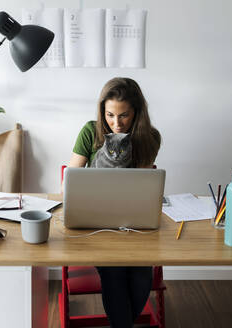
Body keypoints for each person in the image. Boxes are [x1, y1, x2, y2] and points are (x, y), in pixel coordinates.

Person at [68, 77, 161, 327]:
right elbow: (70, 182)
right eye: (110, 115)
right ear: (102, 111)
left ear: (137, 113)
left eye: (124, 116)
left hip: (134, 224)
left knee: (142, 275)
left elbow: (142, 189)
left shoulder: (149, 137)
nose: (116, 123)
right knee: (114, 271)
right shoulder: (90, 131)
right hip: (96, 222)